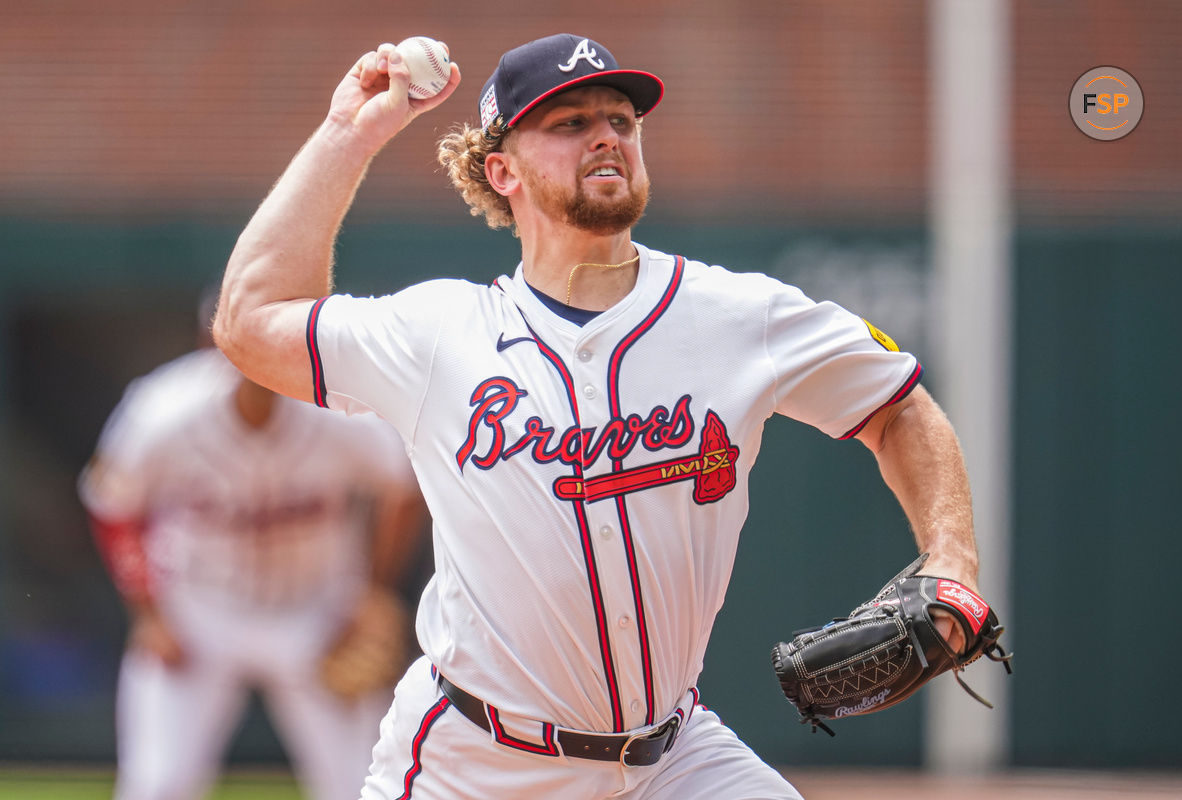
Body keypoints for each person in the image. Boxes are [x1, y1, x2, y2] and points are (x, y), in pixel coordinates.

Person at [213, 32, 981, 800]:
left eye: (621, 118)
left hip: (672, 761)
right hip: (474, 766)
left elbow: (898, 407)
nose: (607, 134)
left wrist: (952, 559)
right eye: (569, 122)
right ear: (501, 170)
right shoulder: (438, 335)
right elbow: (250, 322)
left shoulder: (741, 317)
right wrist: (352, 132)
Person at [78, 298, 431, 800]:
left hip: (315, 615)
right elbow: (112, 506)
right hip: (198, 612)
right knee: (157, 784)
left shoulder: (340, 410)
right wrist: (149, 613)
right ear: (211, 345)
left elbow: (402, 490)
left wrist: (372, 594)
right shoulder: (162, 410)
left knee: (360, 785)